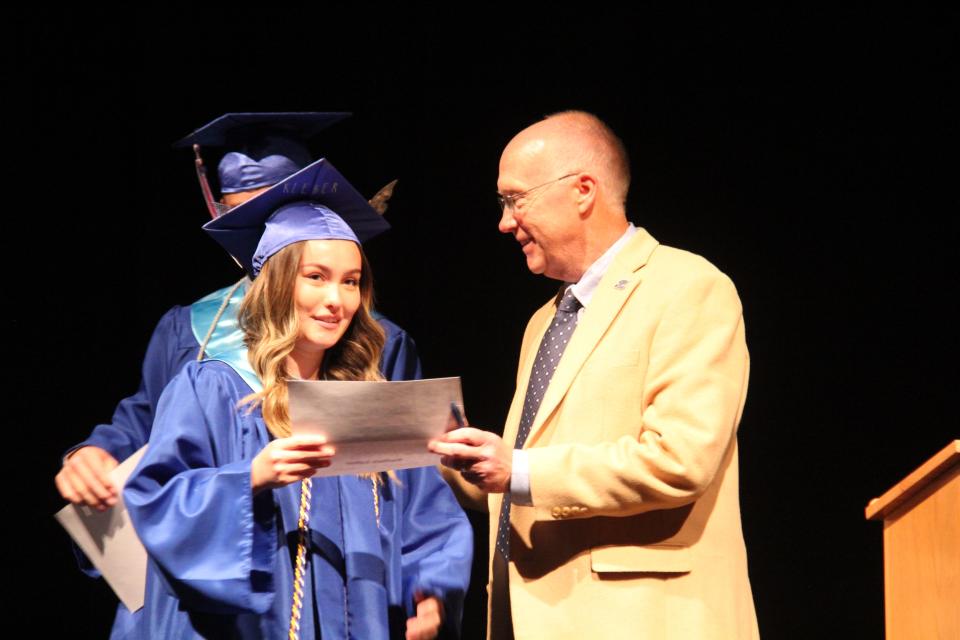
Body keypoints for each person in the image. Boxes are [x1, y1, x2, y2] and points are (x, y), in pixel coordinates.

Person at [429, 111, 758, 639]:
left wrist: (517, 470)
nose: (505, 222)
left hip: (642, 621)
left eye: (515, 199)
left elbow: (681, 459)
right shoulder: (545, 320)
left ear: (583, 190)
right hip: (529, 618)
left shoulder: (688, 286)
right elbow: (524, 482)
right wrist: (462, 464)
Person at [119, 157, 472, 639]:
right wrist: (253, 477)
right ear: (279, 283)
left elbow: (427, 515)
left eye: (351, 281)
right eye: (316, 277)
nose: (337, 300)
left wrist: (431, 590)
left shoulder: (373, 404)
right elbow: (155, 501)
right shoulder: (211, 388)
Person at [55, 113, 420, 513]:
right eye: (237, 215)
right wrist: (95, 453)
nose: (256, 232)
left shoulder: (373, 341)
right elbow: (146, 425)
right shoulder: (189, 329)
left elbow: (411, 488)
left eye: (272, 213)